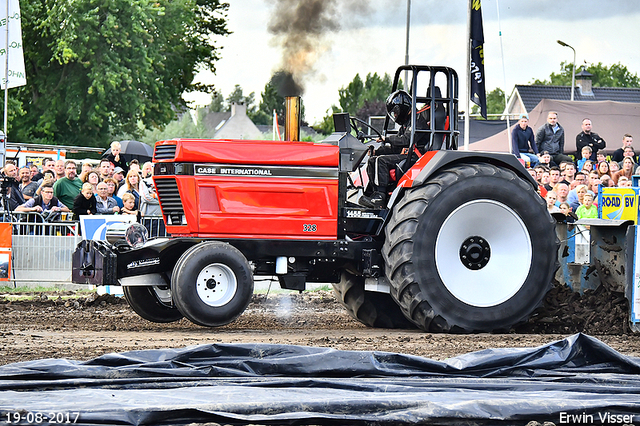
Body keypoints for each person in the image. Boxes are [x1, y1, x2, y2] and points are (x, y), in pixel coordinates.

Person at [360, 90, 430, 208]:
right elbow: (396, 146)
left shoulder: (418, 121)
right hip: (406, 153)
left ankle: (380, 197)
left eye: (395, 113)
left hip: (415, 157)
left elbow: (405, 140)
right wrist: (377, 151)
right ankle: (372, 194)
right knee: (373, 159)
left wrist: (386, 139)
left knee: (381, 161)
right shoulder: (407, 123)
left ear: (402, 108)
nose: (395, 116)